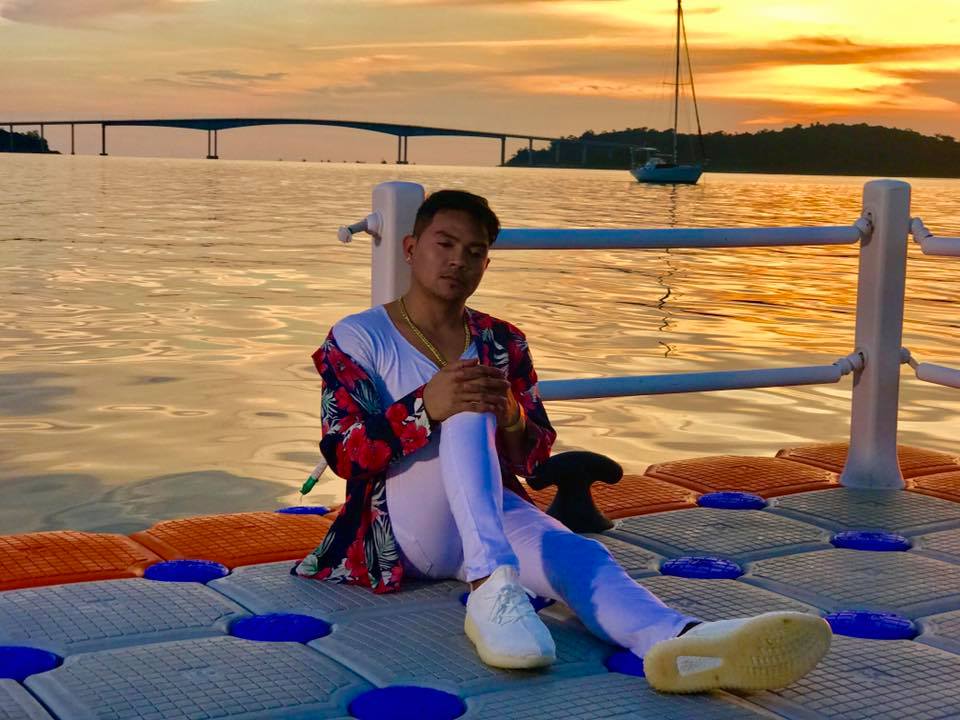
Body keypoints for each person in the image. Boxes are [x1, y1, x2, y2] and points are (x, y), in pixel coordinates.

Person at [295, 189, 831, 693]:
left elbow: (533, 460)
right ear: (411, 249)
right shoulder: (359, 336)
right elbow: (343, 454)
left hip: (486, 521)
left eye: (475, 252)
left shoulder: (502, 340)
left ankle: (681, 642)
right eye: (445, 244)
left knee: (577, 554)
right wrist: (426, 406)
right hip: (399, 526)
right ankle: (491, 588)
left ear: (486, 264)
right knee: (467, 400)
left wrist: (510, 416)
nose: (458, 260)